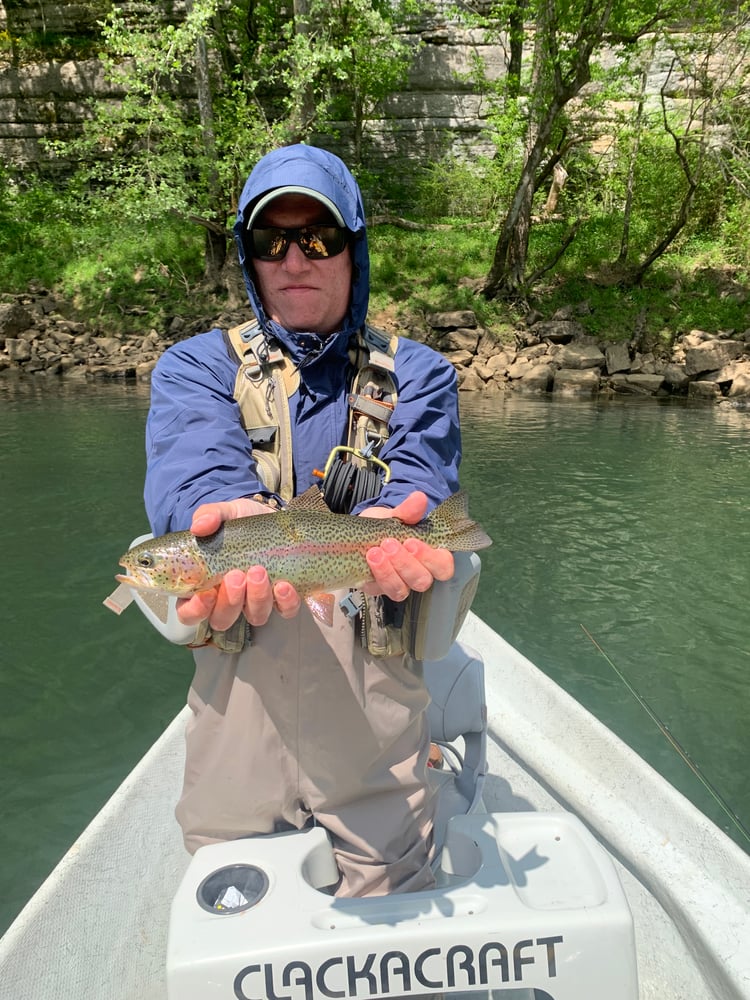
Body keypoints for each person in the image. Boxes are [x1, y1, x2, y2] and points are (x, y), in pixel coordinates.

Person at [144, 144, 463, 897]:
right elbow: (192, 469)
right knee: (235, 902)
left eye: (318, 237)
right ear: (248, 257)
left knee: (391, 906)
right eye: (270, 240)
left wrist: (395, 523)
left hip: (376, 712)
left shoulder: (419, 374)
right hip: (239, 705)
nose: (294, 258)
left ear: (355, 248)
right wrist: (218, 513)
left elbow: (418, 477)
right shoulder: (193, 367)